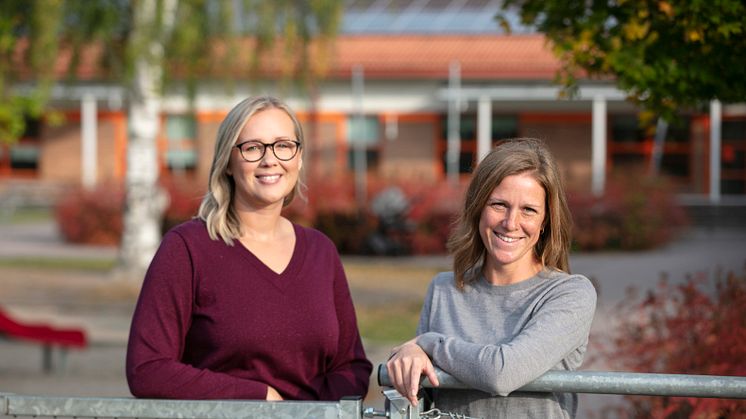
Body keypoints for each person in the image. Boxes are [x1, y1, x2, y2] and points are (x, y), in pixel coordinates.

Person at [126, 95, 372, 401]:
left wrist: (306, 414)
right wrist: (259, 397)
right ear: (227, 162)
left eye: (283, 145)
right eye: (253, 148)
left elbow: (351, 367)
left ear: (298, 157)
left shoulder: (321, 251)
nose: (270, 160)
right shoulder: (187, 249)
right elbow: (148, 369)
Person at [386, 138, 597, 418]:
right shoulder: (444, 290)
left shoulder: (570, 294)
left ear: (545, 220)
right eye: (499, 204)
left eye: (529, 210)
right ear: (478, 207)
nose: (510, 223)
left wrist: (428, 344)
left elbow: (502, 373)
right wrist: (407, 357)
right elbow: (420, 398)